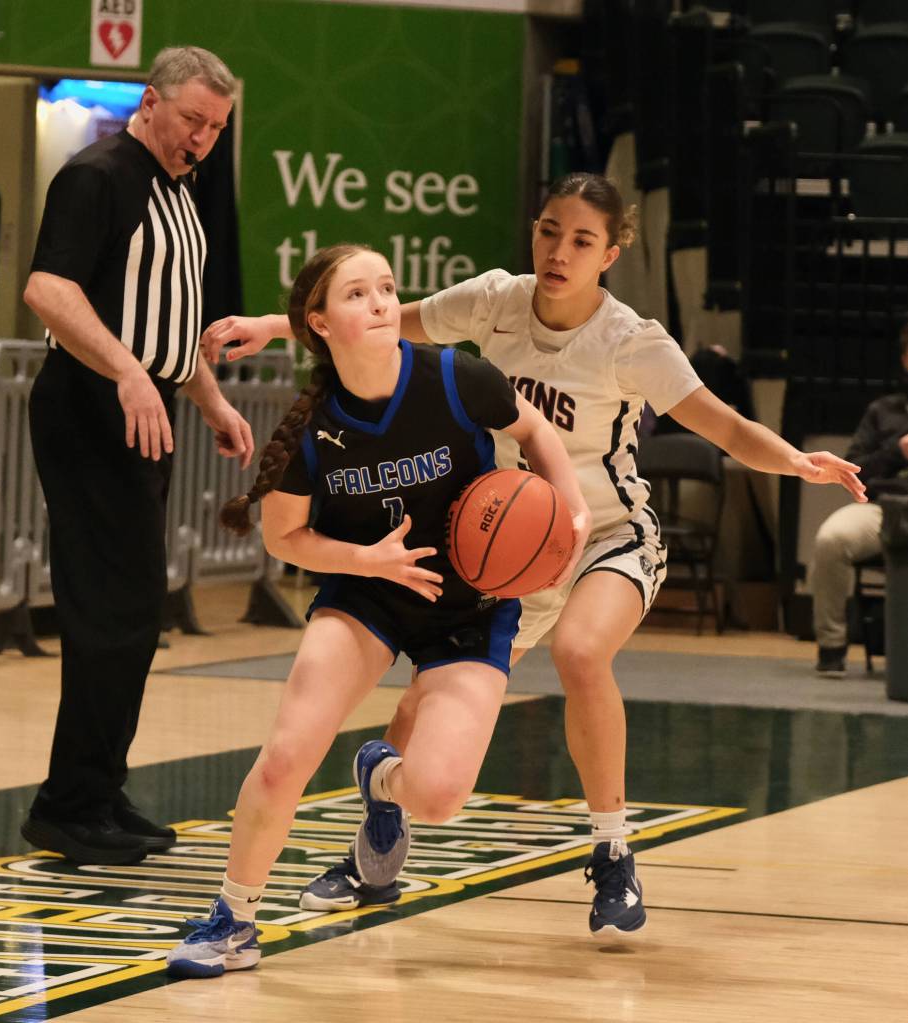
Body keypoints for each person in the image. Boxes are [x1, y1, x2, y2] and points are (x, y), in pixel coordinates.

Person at [200, 172, 865, 940]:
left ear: (610, 253)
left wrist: (797, 461)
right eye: (549, 230)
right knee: (421, 712)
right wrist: (268, 323)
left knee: (583, 652)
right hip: (505, 544)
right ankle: (376, 825)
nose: (558, 251)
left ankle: (612, 850)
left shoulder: (630, 341)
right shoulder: (494, 300)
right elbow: (386, 321)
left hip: (607, 532)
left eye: (581, 240)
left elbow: (723, 426)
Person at [165, 243, 589, 977]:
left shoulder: (457, 377)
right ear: (320, 323)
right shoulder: (312, 426)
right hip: (368, 594)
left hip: (472, 603)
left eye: (387, 289)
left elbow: (534, 432)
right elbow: (283, 535)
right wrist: (367, 559)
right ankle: (234, 919)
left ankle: (378, 781)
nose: (382, 303)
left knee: (438, 794)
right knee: (286, 754)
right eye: (358, 294)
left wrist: (571, 510)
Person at [20, 46, 255, 867]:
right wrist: (125, 372)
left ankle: (97, 788)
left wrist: (211, 399)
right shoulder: (99, 174)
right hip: (89, 408)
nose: (201, 139)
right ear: (149, 102)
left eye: (216, 128)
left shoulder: (180, 192)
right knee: (108, 611)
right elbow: (49, 289)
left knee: (132, 614)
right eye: (192, 120)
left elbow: (165, 327)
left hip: (140, 407)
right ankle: (67, 803)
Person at [810, 323, 908, 678]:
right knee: (831, 540)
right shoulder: (883, 411)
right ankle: (832, 647)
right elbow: (855, 470)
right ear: (905, 360)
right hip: (883, 508)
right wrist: (896, 450)